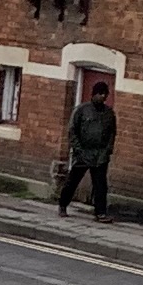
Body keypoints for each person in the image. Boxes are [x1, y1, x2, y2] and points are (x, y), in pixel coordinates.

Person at [55, 74, 118, 218]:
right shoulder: (82, 110)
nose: (103, 97)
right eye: (100, 94)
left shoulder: (109, 114)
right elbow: (72, 131)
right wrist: (78, 149)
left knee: (100, 185)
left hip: (100, 154)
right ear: (94, 94)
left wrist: (108, 150)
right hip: (83, 152)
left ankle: (100, 212)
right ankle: (63, 205)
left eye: (105, 95)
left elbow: (112, 133)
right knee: (73, 181)